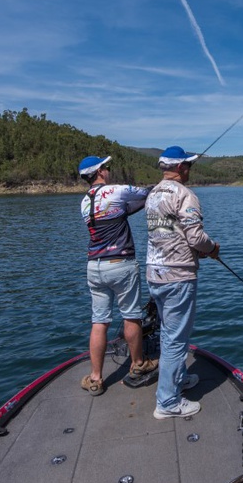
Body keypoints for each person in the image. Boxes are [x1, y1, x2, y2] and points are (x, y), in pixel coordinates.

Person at [145, 146, 220, 419]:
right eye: (188, 165)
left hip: (154, 274)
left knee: (168, 333)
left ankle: (178, 379)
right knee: (176, 340)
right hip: (178, 276)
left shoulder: (153, 193)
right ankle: (167, 403)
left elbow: (167, 232)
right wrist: (213, 249)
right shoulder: (185, 195)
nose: (190, 170)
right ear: (180, 168)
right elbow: (196, 237)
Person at [78, 155, 157, 396]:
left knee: (99, 321)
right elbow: (146, 193)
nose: (108, 170)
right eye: (106, 167)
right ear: (100, 172)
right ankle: (138, 364)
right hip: (120, 263)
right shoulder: (116, 190)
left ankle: (95, 378)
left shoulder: (84, 202)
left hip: (94, 267)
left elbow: (123, 211)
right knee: (131, 316)